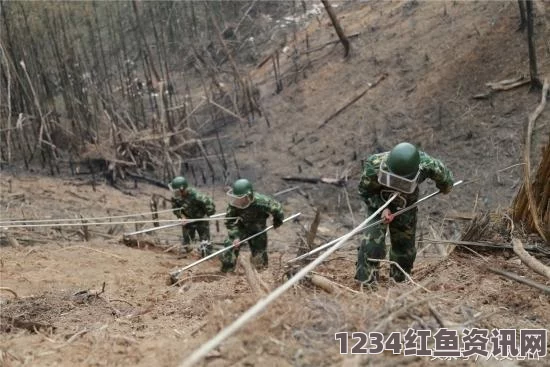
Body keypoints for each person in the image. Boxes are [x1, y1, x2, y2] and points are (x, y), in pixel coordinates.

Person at [355, 142, 454, 284]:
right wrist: (381, 208)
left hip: (406, 206)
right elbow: (364, 192)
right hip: (378, 204)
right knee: (372, 244)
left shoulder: (426, 164)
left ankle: (399, 283)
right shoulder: (373, 166)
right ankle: (366, 284)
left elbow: (444, 176)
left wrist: (445, 186)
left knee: (404, 249)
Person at [220, 178, 284, 273]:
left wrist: (277, 221)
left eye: (240, 198)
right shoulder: (234, 204)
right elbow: (229, 221)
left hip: (258, 229)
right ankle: (227, 270)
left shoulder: (262, 202)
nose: (238, 201)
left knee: (259, 255)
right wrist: (235, 236)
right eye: (236, 198)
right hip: (241, 227)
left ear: (248, 196)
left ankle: (260, 272)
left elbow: (277, 209)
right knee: (230, 244)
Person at [170, 176, 216, 257]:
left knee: (205, 243)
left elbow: (210, 207)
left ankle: (207, 256)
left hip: (201, 220)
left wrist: (206, 215)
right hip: (187, 220)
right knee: (186, 243)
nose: (175, 193)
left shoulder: (197, 196)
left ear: (183, 189)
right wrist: (182, 216)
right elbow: (176, 209)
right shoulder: (176, 197)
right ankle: (187, 255)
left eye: (177, 191)